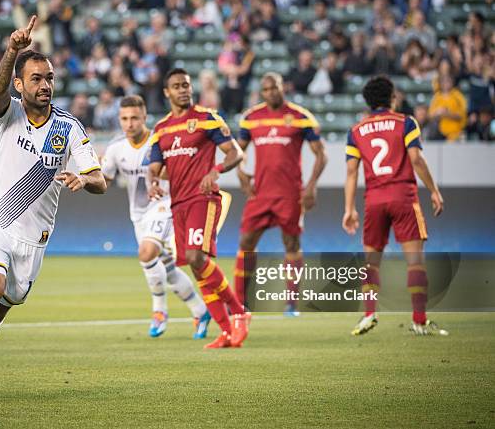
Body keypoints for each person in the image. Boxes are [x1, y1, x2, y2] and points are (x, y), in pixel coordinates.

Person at [0, 16, 107, 405]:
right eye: (37, 79)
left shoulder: (69, 127)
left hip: (34, 237)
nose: (45, 86)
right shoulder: (7, 114)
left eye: (49, 79)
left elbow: (100, 179)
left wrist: (83, 180)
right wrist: (12, 49)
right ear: (20, 83)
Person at [146, 68, 250, 349]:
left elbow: (235, 153)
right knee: (197, 267)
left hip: (203, 199)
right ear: (167, 92)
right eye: (177, 86)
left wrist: (215, 170)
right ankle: (227, 332)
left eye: (186, 85)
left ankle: (239, 312)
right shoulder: (161, 129)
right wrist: (152, 182)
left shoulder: (207, 119)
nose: (183, 90)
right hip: (177, 204)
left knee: (195, 257)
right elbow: (153, 168)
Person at [343, 75, 447, 336]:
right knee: (415, 263)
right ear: (393, 97)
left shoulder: (356, 131)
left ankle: (368, 314)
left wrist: (349, 209)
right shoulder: (406, 122)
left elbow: (351, 173)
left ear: (367, 102)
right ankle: (419, 320)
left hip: (374, 201)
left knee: (371, 263)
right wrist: (434, 190)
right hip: (403, 197)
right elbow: (416, 160)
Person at [101, 95, 211, 338]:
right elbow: (103, 181)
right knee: (168, 271)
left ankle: (159, 311)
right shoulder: (116, 148)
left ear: (144, 118)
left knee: (146, 253)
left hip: (164, 205)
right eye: (124, 119)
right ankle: (200, 310)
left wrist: (161, 177)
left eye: (134, 118)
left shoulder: (160, 141)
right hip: (138, 214)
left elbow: (182, 172)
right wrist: (83, 175)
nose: (129, 124)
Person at [234, 73, 326, 316]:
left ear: (282, 88)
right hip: (260, 194)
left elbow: (321, 154)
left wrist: (311, 186)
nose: (270, 93)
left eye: (274, 88)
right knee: (245, 243)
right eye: (265, 89)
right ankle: (239, 302)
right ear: (261, 92)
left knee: (292, 244)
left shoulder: (300, 117)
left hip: (290, 194)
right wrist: (241, 173)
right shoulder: (251, 118)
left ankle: (291, 304)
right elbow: (236, 152)